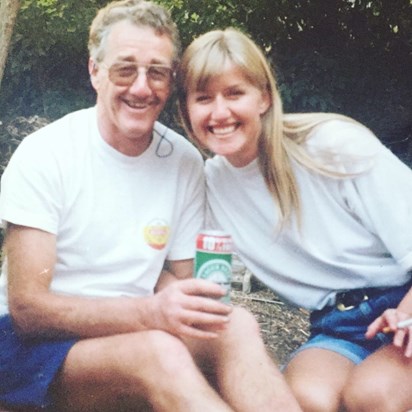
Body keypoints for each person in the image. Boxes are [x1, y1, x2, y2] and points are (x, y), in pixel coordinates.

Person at [0, 4, 302, 412]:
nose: (142, 88)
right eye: (125, 70)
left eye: (157, 72)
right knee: (159, 352)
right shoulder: (48, 153)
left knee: (237, 324)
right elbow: (27, 309)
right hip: (34, 348)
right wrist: (151, 312)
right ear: (95, 71)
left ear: (171, 80)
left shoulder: (181, 160)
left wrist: (182, 301)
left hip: (135, 330)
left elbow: (181, 279)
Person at [177, 27, 412, 412]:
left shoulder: (331, 146)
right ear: (186, 109)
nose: (220, 113)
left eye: (235, 93)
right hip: (338, 323)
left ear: (264, 97)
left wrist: (406, 314)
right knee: (306, 400)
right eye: (204, 99)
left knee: (372, 396)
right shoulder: (211, 184)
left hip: (403, 301)